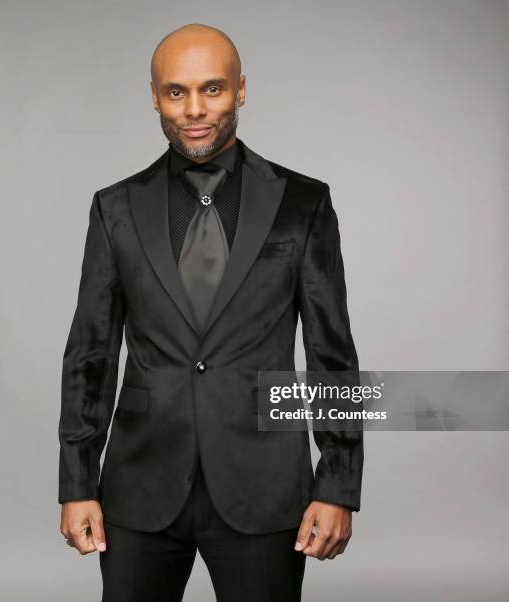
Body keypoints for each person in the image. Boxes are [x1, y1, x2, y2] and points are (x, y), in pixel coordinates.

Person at [58, 22, 363, 602]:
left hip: (266, 486)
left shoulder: (304, 203)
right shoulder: (114, 208)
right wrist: (76, 483)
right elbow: (89, 353)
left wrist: (339, 485)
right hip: (138, 487)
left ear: (241, 89)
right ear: (154, 95)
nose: (194, 109)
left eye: (213, 89)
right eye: (176, 92)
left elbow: (333, 355)